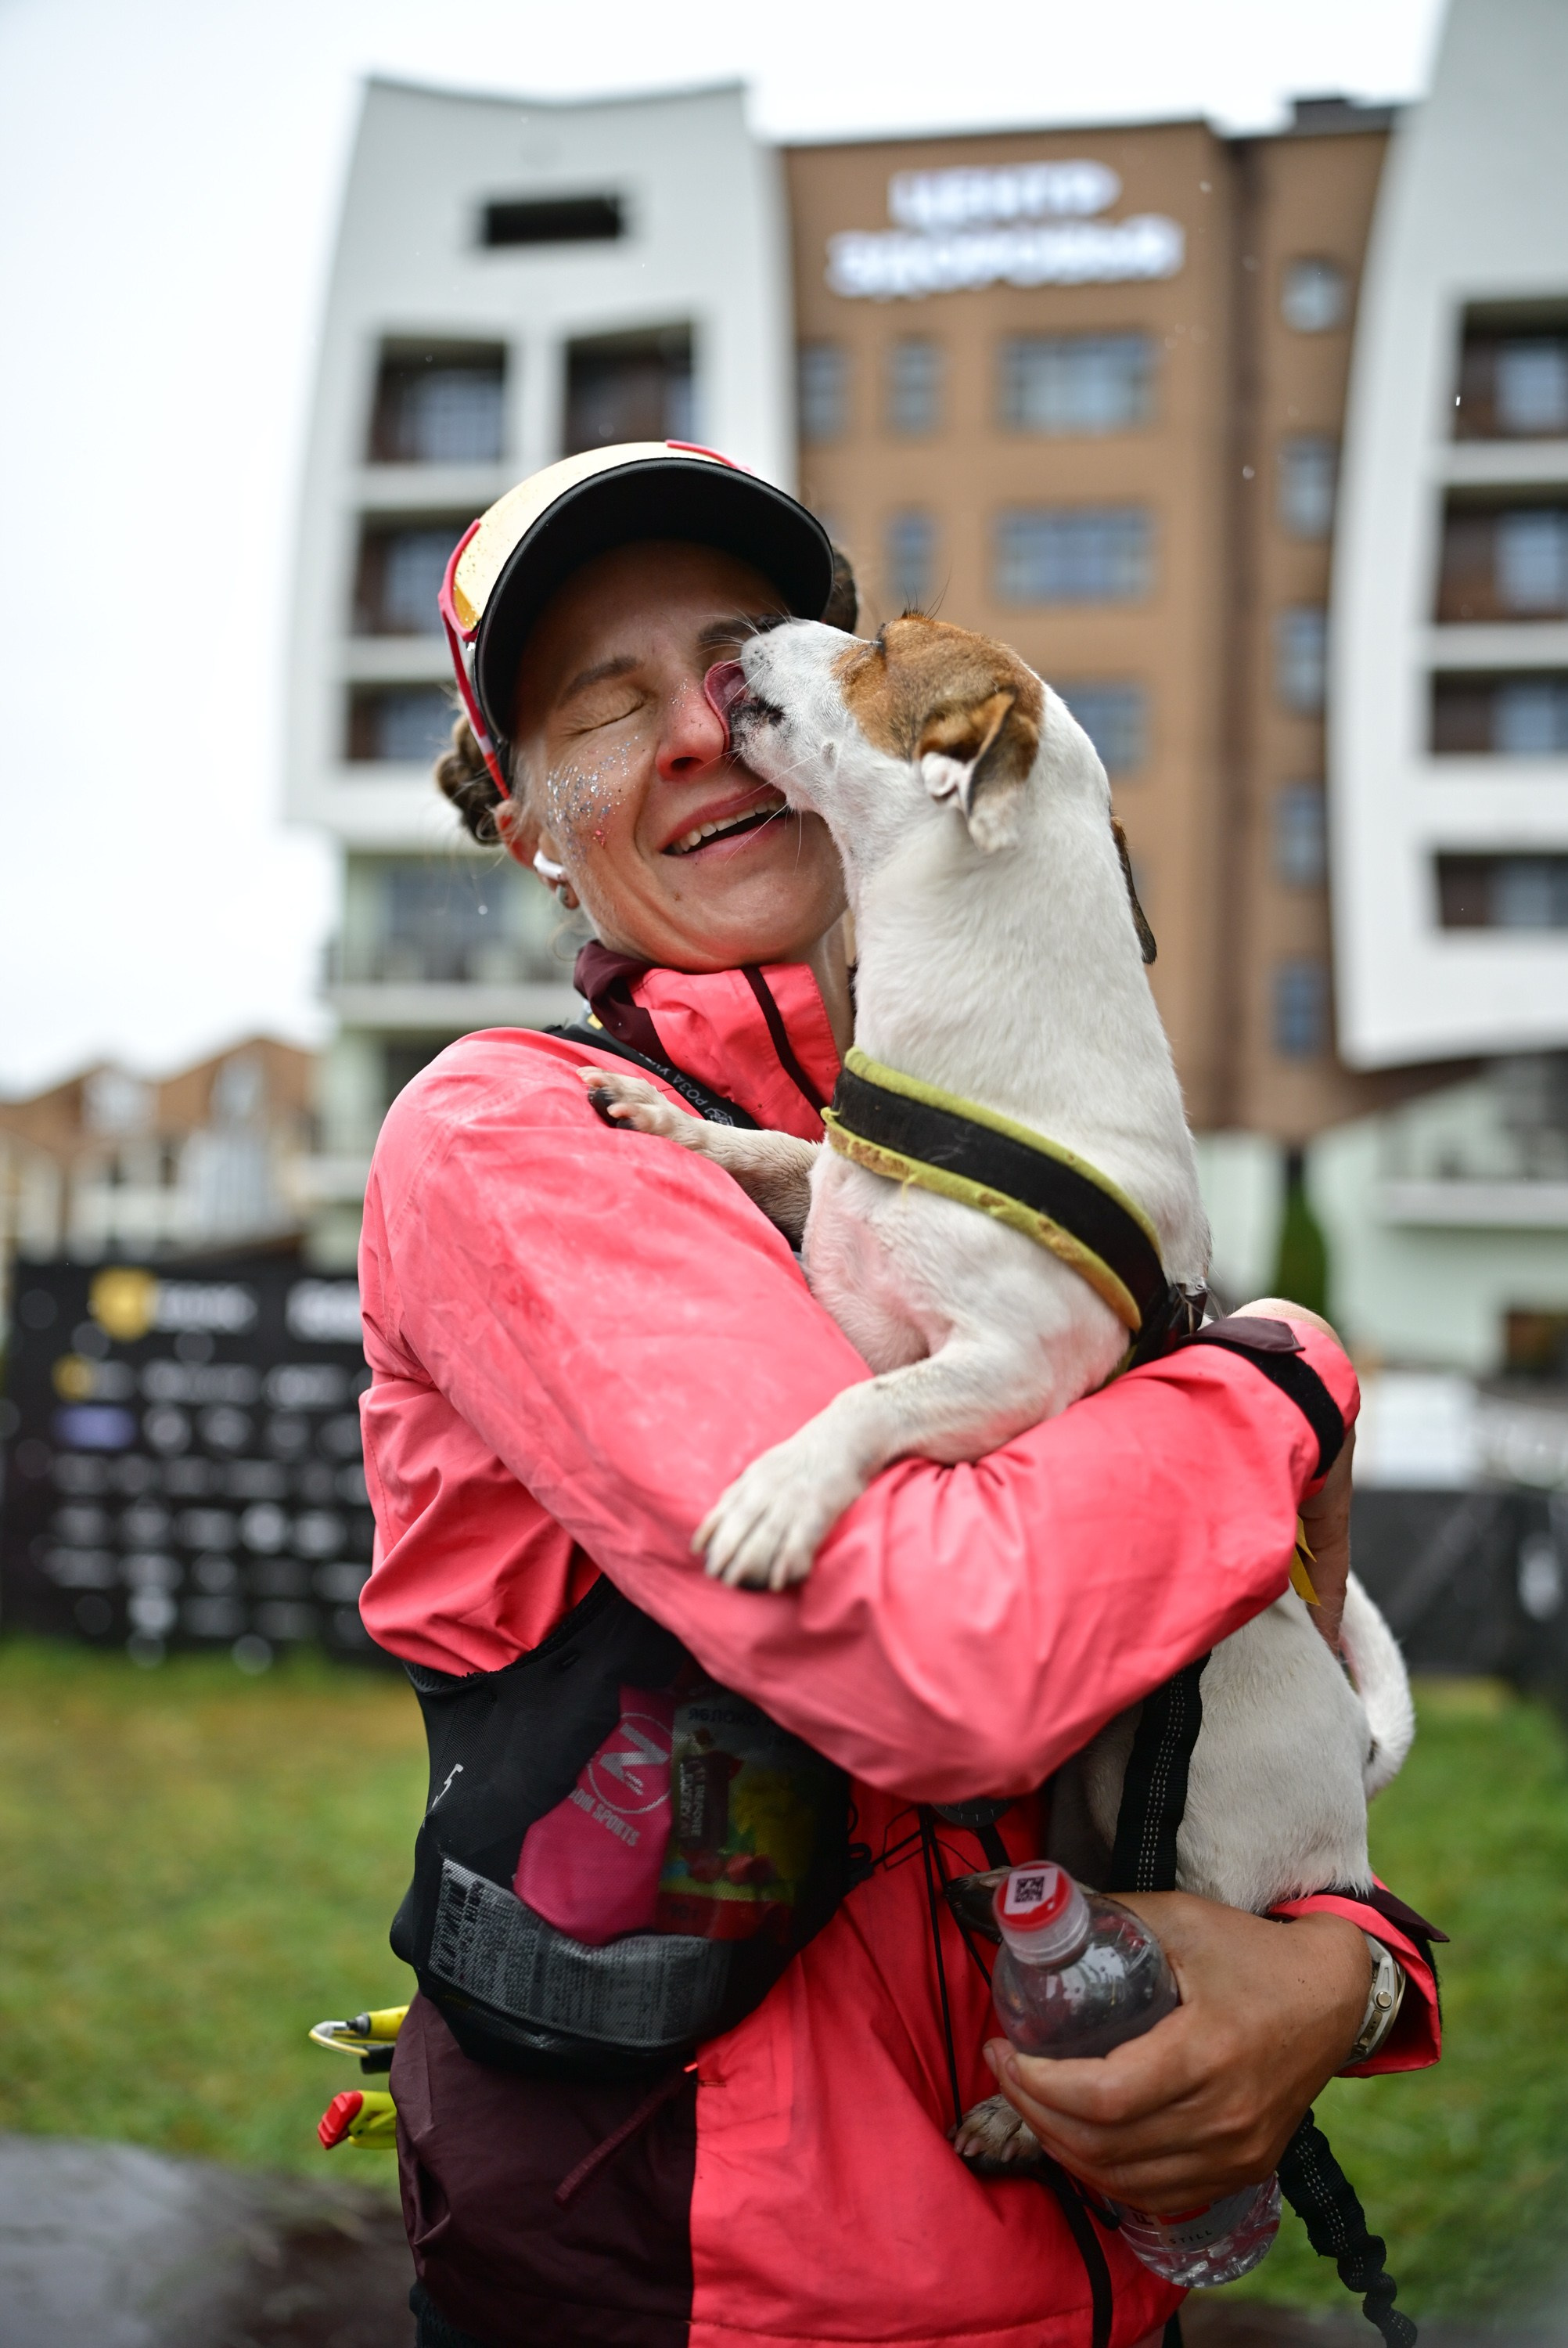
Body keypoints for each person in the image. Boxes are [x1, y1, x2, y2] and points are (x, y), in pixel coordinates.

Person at [356, 441, 1440, 2348]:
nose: (703, 725)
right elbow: (948, 1659)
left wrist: (1334, 1974)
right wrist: (1285, 1378)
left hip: (1099, 2292)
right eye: (603, 708)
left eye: (734, 658)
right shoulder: (515, 1140)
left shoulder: (960, 1131)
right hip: (706, 2303)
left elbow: (1231, 1672)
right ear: (523, 824)